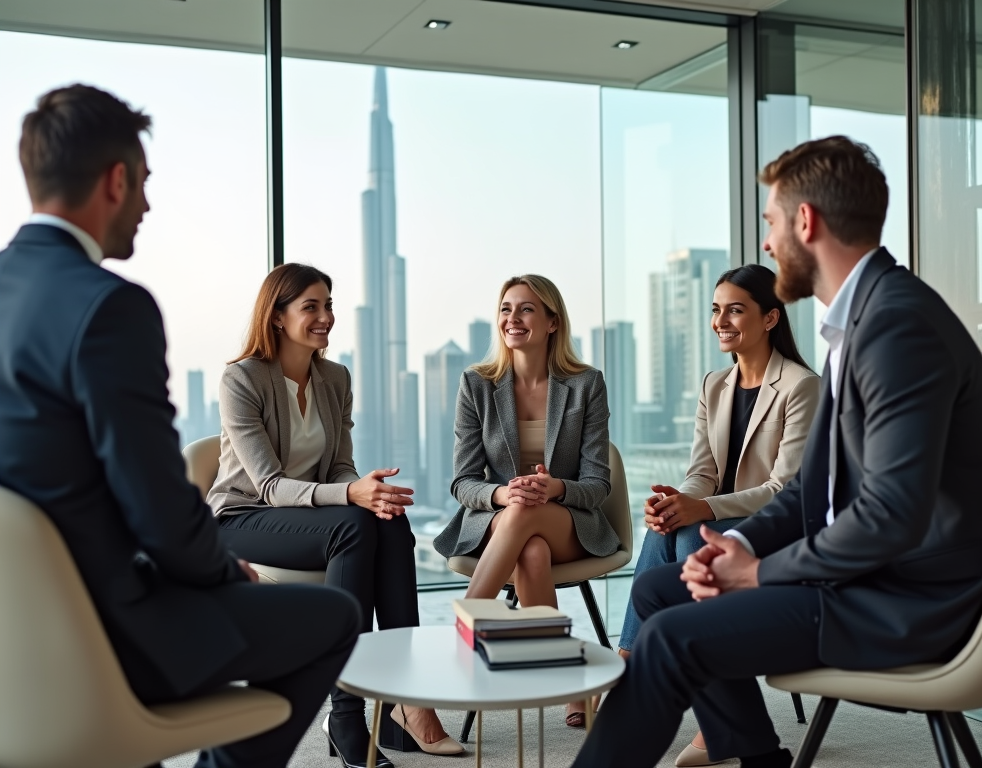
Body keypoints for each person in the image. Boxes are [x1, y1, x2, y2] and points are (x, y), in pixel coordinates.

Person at [570, 136, 982, 768]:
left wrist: (758, 574)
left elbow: (891, 515)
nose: (768, 241)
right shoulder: (861, 319)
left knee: (670, 636)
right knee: (662, 593)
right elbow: (813, 489)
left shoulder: (897, 326)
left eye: (772, 222)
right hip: (874, 580)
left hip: (908, 601)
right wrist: (742, 547)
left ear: (805, 221)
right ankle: (752, 753)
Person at [0, 84, 362, 768]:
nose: (146, 204)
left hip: (10, 640)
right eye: (144, 183)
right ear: (117, 180)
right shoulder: (109, 309)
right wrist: (226, 571)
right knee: (333, 620)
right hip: (98, 632)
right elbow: (159, 510)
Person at [210, 263, 463, 766]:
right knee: (354, 524)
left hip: (313, 519)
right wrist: (351, 498)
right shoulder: (242, 379)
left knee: (389, 520)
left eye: (329, 304)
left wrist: (366, 490)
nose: (326, 316)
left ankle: (400, 701)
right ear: (278, 316)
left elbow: (339, 466)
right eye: (311, 306)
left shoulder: (335, 377)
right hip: (244, 519)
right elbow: (269, 486)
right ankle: (346, 714)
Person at [616, 264, 818, 767]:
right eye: (715, 309)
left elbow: (784, 491)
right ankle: (640, 671)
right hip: (715, 517)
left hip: (768, 533)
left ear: (770, 318)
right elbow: (700, 472)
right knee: (666, 528)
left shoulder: (800, 387)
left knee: (690, 537)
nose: (720, 320)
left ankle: (680, 700)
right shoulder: (715, 384)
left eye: (735, 309)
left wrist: (699, 507)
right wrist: (677, 499)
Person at [433, 274, 620, 726]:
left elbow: (599, 482)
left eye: (526, 309)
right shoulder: (477, 383)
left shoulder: (585, 384)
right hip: (498, 520)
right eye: (505, 309)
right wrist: (502, 492)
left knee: (531, 521)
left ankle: (457, 642)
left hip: (570, 522)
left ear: (552, 322)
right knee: (528, 545)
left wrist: (555, 487)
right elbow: (462, 481)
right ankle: (573, 689)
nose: (512, 319)